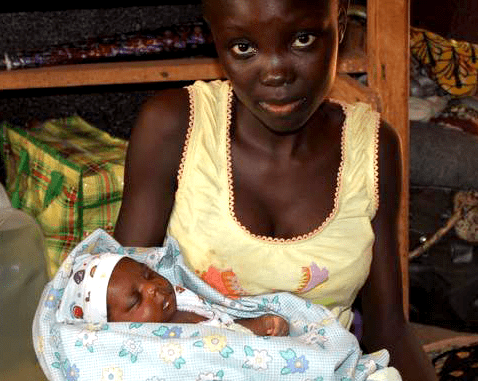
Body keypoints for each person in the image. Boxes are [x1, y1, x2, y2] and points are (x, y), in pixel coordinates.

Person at [113, 0, 437, 379]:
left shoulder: (372, 147)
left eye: (302, 40)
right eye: (244, 48)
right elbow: (120, 311)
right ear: (213, 36)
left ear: (341, 24)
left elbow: (389, 328)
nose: (276, 72)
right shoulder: (175, 128)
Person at [59, 251, 289, 336]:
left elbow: (221, 322)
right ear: (116, 328)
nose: (152, 287)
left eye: (148, 274)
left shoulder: (182, 299)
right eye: (135, 300)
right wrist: (258, 328)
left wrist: (251, 322)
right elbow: (218, 346)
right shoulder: (158, 342)